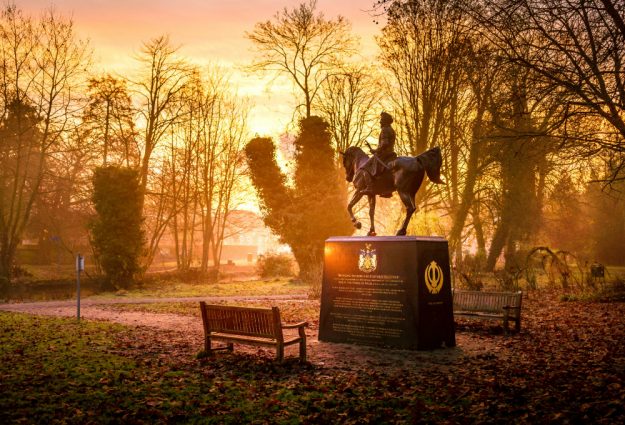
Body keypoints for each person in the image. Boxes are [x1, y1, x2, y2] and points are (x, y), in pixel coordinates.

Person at [362, 112, 397, 195]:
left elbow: (385, 144)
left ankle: (370, 188)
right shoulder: (391, 130)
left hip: (384, 154)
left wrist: (376, 151)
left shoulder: (384, 129)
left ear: (385, 121)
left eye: (381, 120)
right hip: (391, 153)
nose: (380, 122)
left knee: (365, 168)